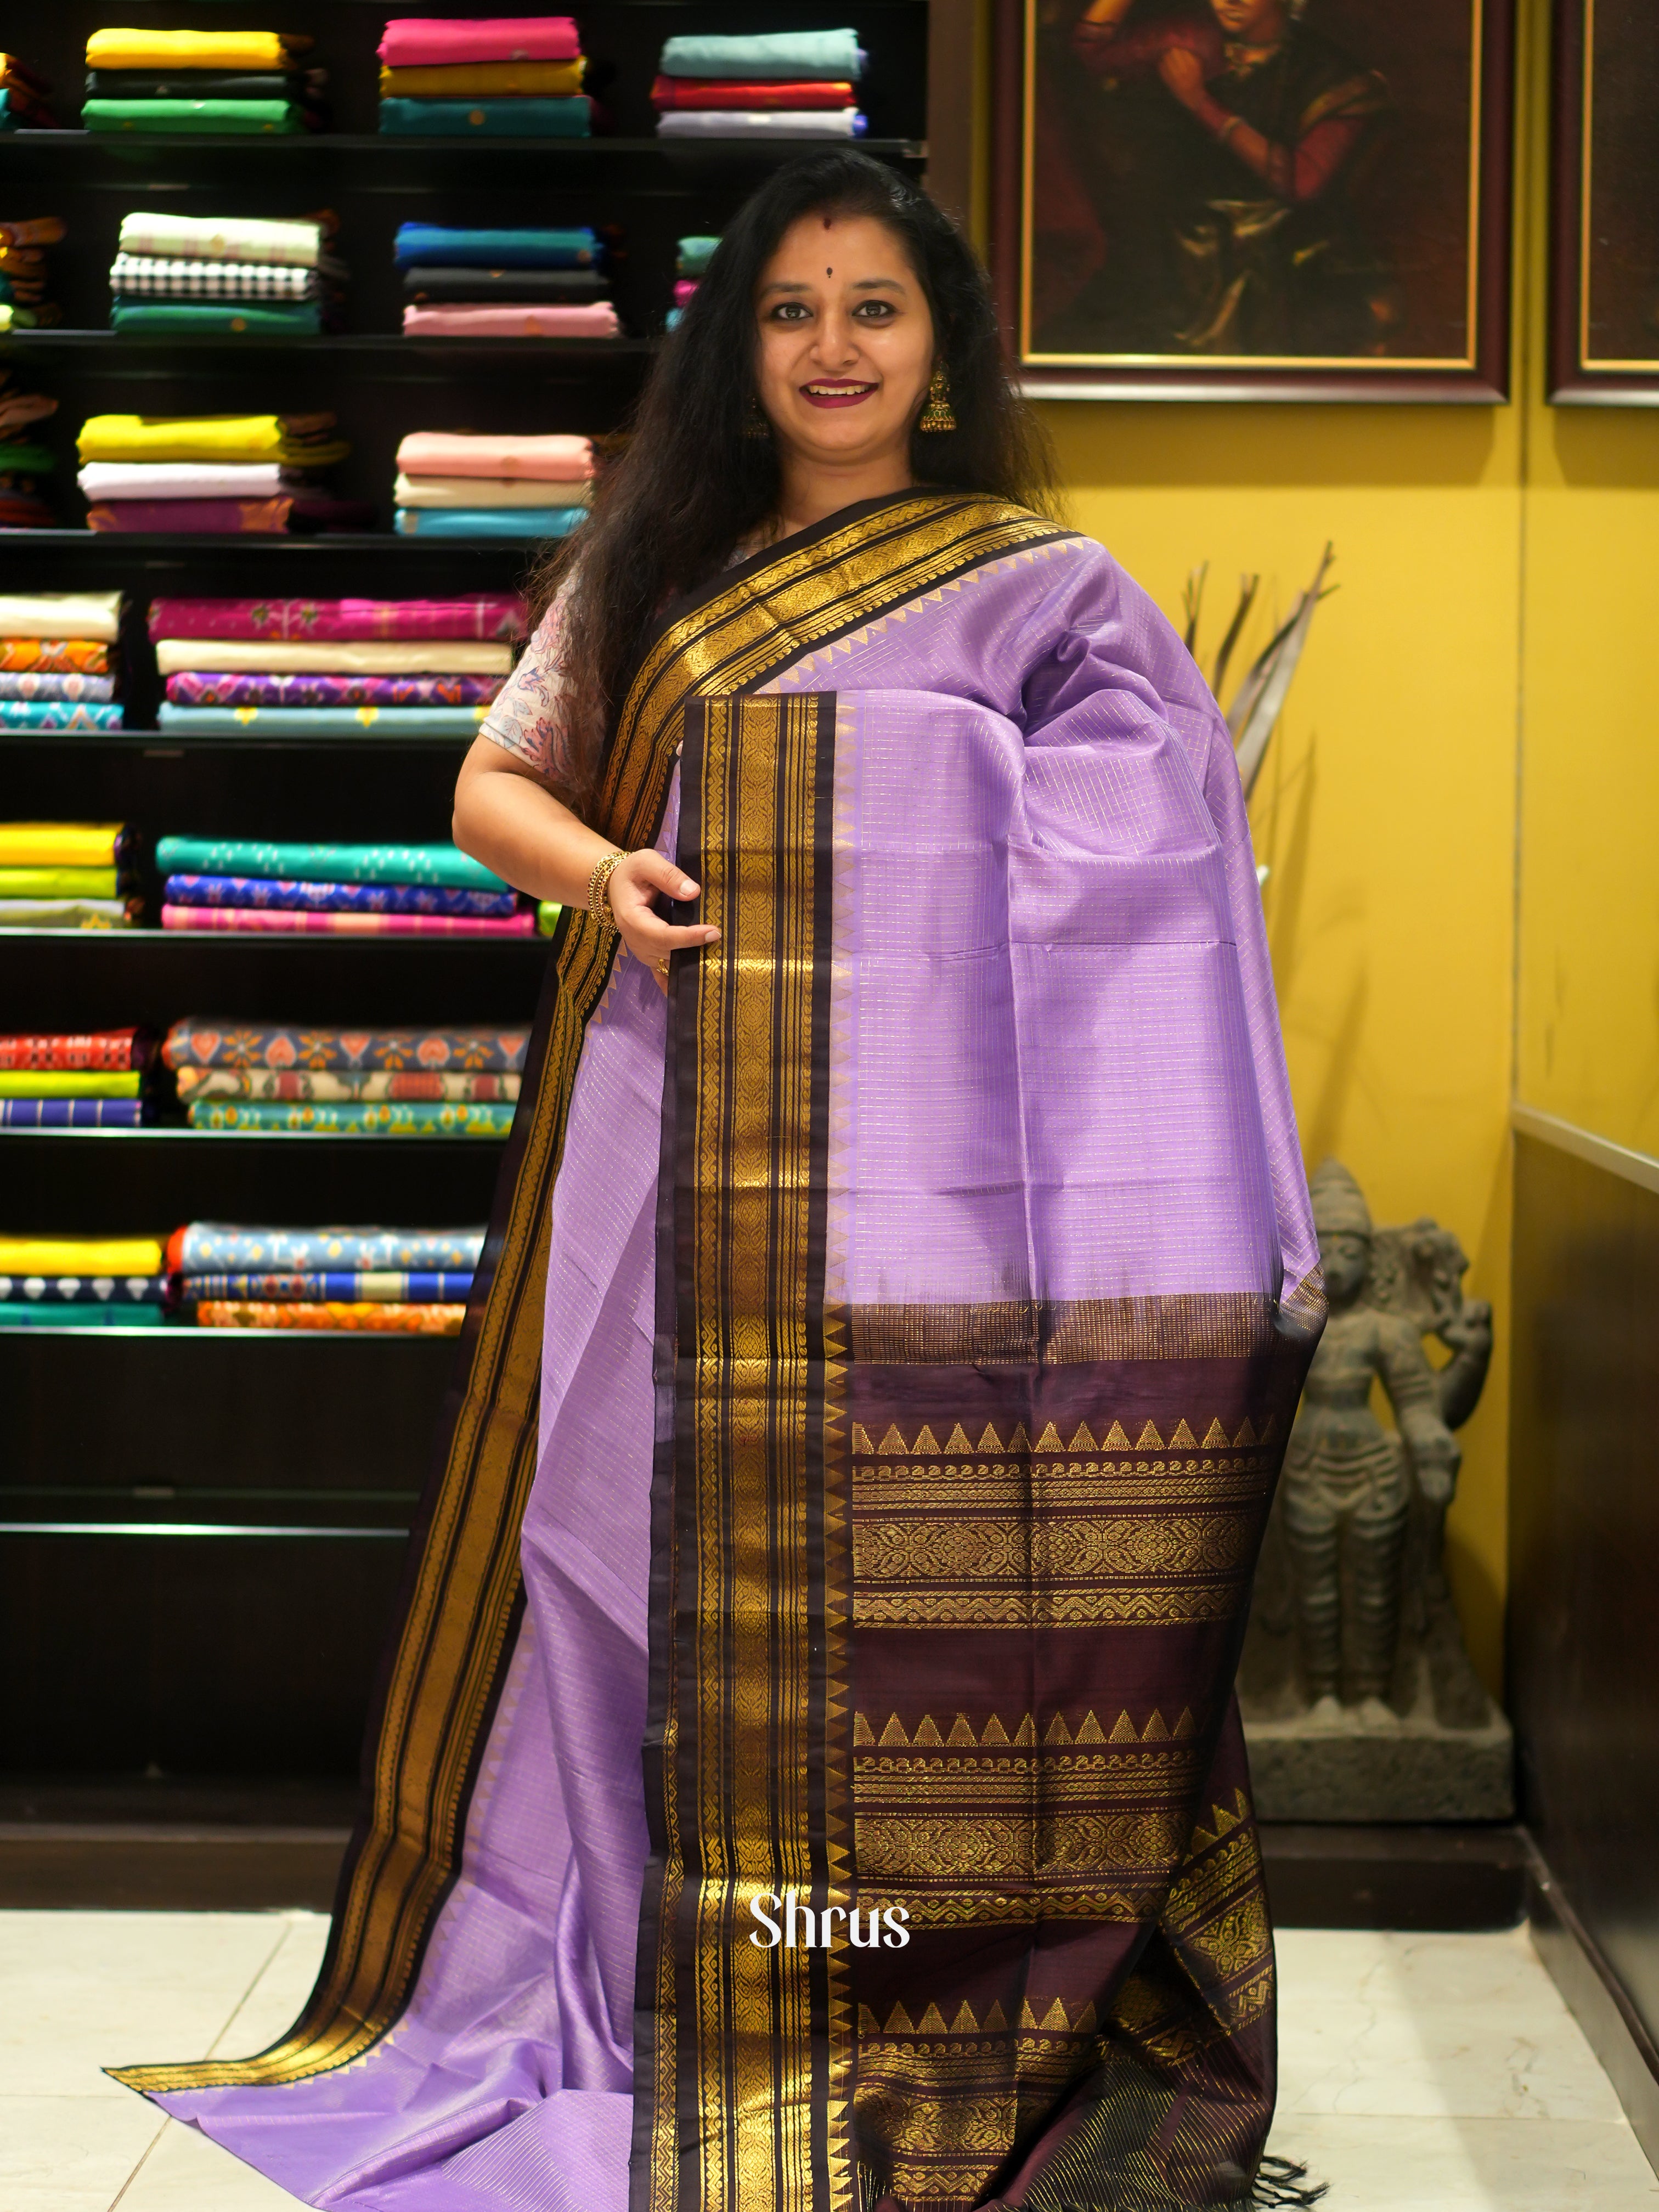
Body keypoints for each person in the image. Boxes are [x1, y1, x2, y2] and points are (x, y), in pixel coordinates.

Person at [115, 150, 1326, 2212]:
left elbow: (1148, 859)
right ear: (734, 348)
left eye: (872, 306)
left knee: (916, 1595)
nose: (831, 346)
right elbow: (491, 781)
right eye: (787, 310)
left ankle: (907, 1978)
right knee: (622, 1556)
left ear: (937, 347)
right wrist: (610, 870)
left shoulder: (1048, 591)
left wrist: (901, 813)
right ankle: (656, 1960)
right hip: (669, 1135)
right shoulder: (656, 566)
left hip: (942, 1210)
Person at [1040, 0, 1392, 356]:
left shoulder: (1335, 76)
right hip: (1174, 251)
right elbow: (1089, 50)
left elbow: (1301, 181)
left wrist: (1199, 103)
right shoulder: (1192, 38)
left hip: (1278, 261)